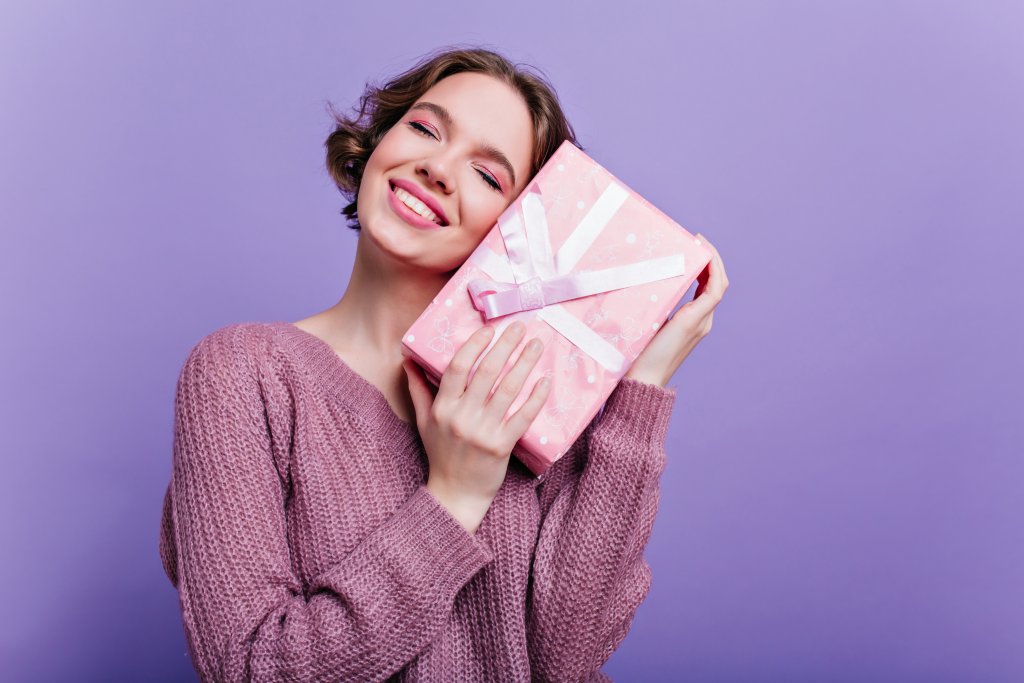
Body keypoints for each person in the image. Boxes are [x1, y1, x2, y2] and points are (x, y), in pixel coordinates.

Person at [159, 45, 729, 682]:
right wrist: (454, 497)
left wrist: (638, 387)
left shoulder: (530, 395)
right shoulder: (245, 372)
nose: (437, 168)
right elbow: (251, 671)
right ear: (375, 144)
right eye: (425, 129)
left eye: (489, 176)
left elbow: (569, 657)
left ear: (519, 230)